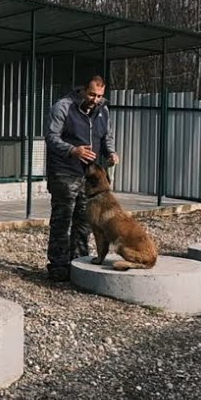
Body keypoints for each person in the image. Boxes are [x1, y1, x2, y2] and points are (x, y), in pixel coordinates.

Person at [43, 74, 120, 282]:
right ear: (83, 90)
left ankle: (78, 262)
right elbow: (51, 137)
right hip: (64, 172)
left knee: (85, 222)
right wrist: (72, 150)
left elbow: (106, 137)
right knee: (62, 220)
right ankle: (58, 267)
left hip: (91, 178)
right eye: (92, 94)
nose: (95, 99)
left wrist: (111, 153)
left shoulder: (103, 109)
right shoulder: (63, 107)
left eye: (99, 95)